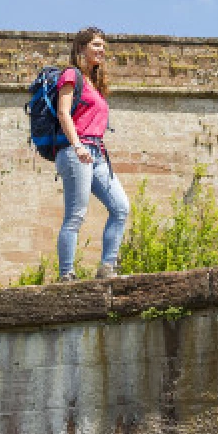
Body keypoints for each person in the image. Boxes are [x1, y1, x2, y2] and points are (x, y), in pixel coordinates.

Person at [55, 27, 130, 281]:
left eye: (103, 46)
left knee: (120, 207)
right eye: (96, 45)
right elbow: (63, 112)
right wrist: (76, 145)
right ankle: (66, 273)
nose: (102, 50)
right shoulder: (70, 75)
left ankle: (107, 267)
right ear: (81, 48)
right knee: (76, 215)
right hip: (77, 151)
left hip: (97, 153)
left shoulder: (94, 83)